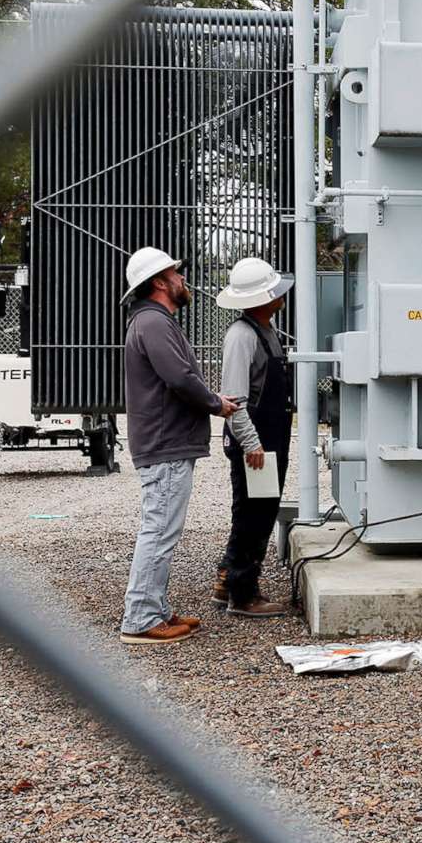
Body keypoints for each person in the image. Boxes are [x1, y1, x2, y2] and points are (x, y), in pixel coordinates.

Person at [118, 247, 238, 646]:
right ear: (159, 282)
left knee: (162, 529)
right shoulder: (153, 322)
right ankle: (140, 617)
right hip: (166, 441)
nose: (183, 279)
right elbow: (179, 377)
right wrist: (215, 403)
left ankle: (156, 607)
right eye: (176, 273)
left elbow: (179, 376)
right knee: (159, 531)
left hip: (164, 440)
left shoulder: (150, 321)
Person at [212, 255, 295, 618]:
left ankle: (227, 580)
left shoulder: (265, 331)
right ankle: (243, 594)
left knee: (256, 510)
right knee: (253, 514)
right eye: (274, 291)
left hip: (268, 438)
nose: (281, 295)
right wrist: (252, 444)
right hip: (257, 443)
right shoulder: (242, 337)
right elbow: (235, 399)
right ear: (261, 300)